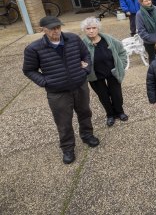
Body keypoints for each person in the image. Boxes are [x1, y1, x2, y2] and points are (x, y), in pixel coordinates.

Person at [23, 16, 99, 165]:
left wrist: (86, 70)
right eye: (52, 28)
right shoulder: (34, 48)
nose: (56, 30)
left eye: (58, 27)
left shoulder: (73, 39)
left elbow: (86, 55)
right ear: (42, 30)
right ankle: (67, 148)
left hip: (80, 86)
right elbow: (29, 70)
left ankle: (87, 135)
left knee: (85, 112)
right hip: (57, 93)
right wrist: (45, 82)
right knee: (63, 121)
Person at [81, 17, 128, 127]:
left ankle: (120, 112)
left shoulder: (108, 39)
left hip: (113, 72)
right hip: (95, 75)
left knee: (116, 94)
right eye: (88, 28)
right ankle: (110, 115)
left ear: (98, 29)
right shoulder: (81, 44)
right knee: (103, 96)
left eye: (94, 28)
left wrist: (122, 65)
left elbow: (122, 51)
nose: (91, 31)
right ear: (84, 30)